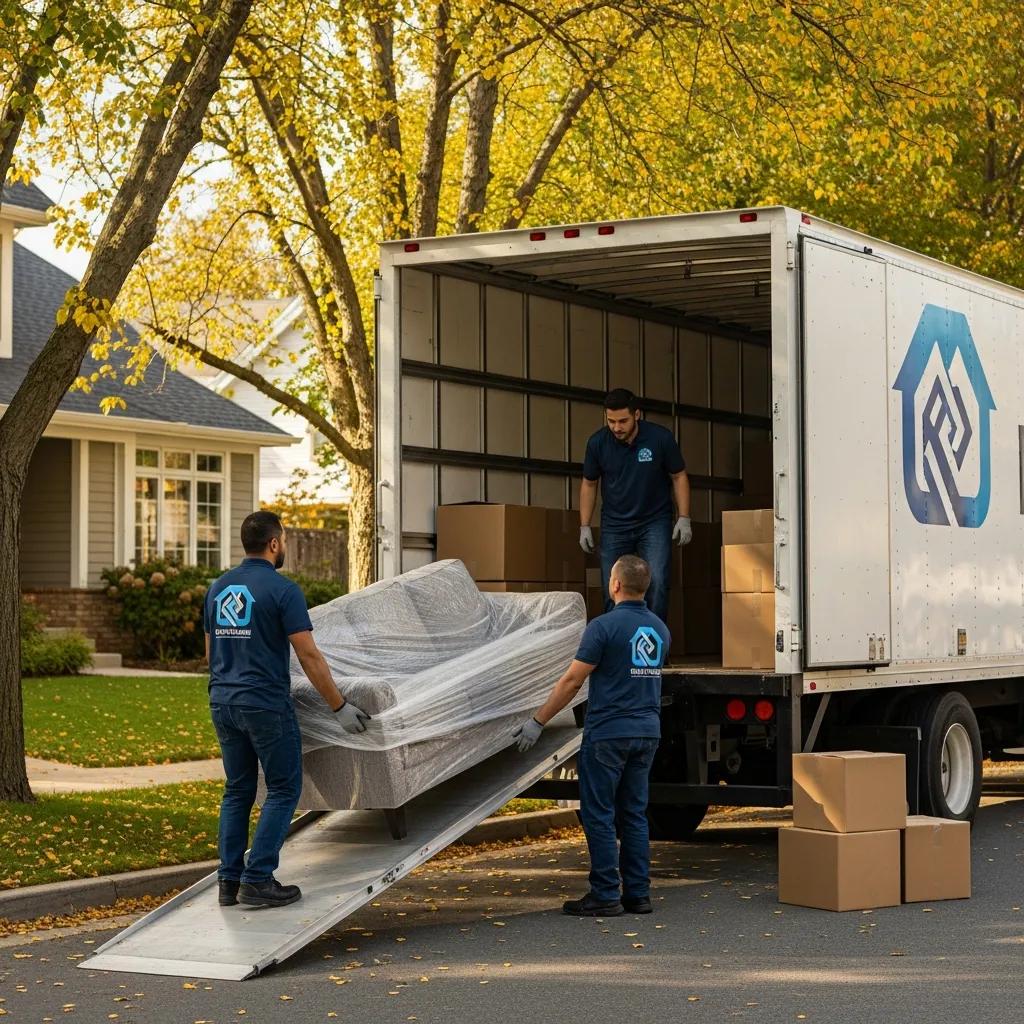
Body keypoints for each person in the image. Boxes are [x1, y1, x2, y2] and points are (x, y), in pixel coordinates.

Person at [204, 510, 370, 910]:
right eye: (285, 541)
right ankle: (258, 879)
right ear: (275, 543)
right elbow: (309, 655)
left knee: (238, 789)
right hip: (263, 703)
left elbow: (210, 653)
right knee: (283, 788)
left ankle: (228, 882)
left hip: (222, 701)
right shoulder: (282, 590)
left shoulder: (218, 588)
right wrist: (339, 706)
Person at [513, 554, 667, 917]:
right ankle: (638, 894)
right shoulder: (660, 629)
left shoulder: (603, 627)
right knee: (634, 814)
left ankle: (605, 894)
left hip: (609, 734)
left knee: (598, 813)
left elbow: (572, 680)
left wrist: (538, 720)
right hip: (647, 732)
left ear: (615, 585)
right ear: (646, 587)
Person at [579, 388, 691, 625]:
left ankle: (654, 650)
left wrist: (684, 517)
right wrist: (584, 525)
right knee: (613, 587)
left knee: (657, 581)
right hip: (614, 524)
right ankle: (618, 646)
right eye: (611, 421)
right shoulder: (597, 443)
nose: (616, 427)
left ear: (637, 414)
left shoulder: (660, 439)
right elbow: (589, 484)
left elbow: (678, 476)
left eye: (623, 421)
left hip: (654, 522)